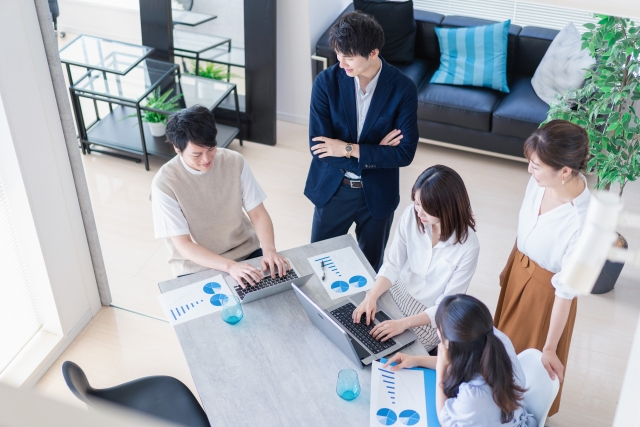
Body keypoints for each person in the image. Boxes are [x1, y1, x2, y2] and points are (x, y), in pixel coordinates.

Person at [305, 11, 419, 272]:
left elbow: (404, 154)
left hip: (377, 194)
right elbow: (319, 149)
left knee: (369, 269)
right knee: (320, 264)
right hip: (334, 189)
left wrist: (346, 148)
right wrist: (376, 153)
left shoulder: (403, 89)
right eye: (338, 54)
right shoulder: (326, 83)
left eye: (349, 56)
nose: (341, 63)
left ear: (373, 52)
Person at [494, 119, 591, 416]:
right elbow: (526, 227)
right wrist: (511, 267)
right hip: (519, 270)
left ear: (565, 171)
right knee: (498, 351)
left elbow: (565, 293)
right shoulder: (540, 181)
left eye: (536, 166)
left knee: (523, 365)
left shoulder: (583, 223)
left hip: (545, 295)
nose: (529, 170)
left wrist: (550, 347)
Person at [151, 105, 290, 285]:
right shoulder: (164, 184)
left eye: (211, 149)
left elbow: (257, 213)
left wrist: (270, 250)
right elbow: (184, 245)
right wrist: (230, 266)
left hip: (244, 250)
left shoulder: (234, 161)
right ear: (177, 148)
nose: (206, 159)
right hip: (196, 265)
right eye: (196, 154)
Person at [352, 165, 479, 352]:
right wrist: (371, 296)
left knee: (390, 354)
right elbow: (392, 264)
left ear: (448, 208)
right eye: (417, 203)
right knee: (357, 332)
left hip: (428, 316)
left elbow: (447, 306)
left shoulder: (468, 246)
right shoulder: (411, 215)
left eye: (427, 208)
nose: (419, 212)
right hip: (396, 291)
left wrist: (403, 324)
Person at [384, 295, 536, 427]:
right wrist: (416, 360)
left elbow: (446, 421)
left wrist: (441, 369)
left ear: (451, 345)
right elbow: (459, 362)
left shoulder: (473, 396)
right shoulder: (493, 338)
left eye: (439, 329)